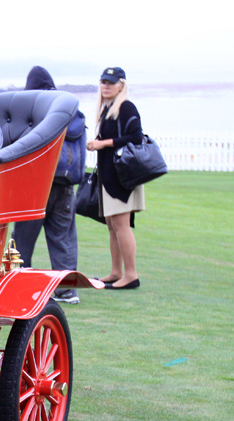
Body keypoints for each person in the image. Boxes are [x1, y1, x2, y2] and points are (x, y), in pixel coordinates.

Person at [12, 67, 87, 305]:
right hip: (66, 184)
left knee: (23, 237)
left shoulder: (34, 107)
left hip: (36, 184)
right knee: (63, 236)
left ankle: (20, 284)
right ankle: (66, 290)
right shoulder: (71, 110)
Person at [87, 67, 145, 290]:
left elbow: (136, 136)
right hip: (109, 175)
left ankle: (130, 274)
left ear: (121, 85)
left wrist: (103, 143)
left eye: (111, 83)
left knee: (121, 225)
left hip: (122, 176)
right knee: (112, 225)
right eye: (103, 82)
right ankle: (116, 272)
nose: (106, 86)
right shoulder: (107, 109)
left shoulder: (126, 106)